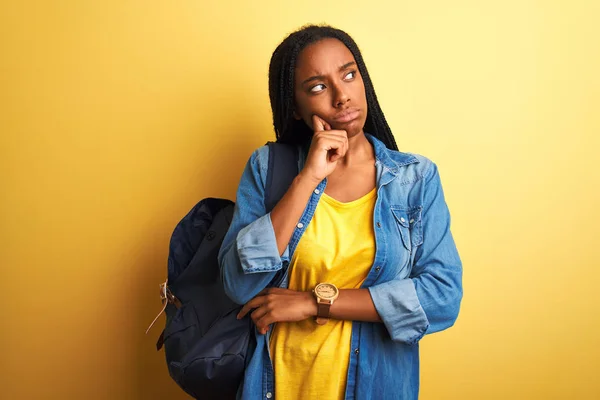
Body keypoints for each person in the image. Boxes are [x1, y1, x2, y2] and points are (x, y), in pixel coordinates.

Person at [217, 24, 463, 400]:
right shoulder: (269, 168)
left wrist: (313, 302)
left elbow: (442, 297)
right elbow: (238, 285)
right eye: (317, 87)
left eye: (349, 75)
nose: (341, 96)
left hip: (375, 387)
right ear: (296, 108)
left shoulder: (415, 179)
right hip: (276, 385)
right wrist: (308, 177)